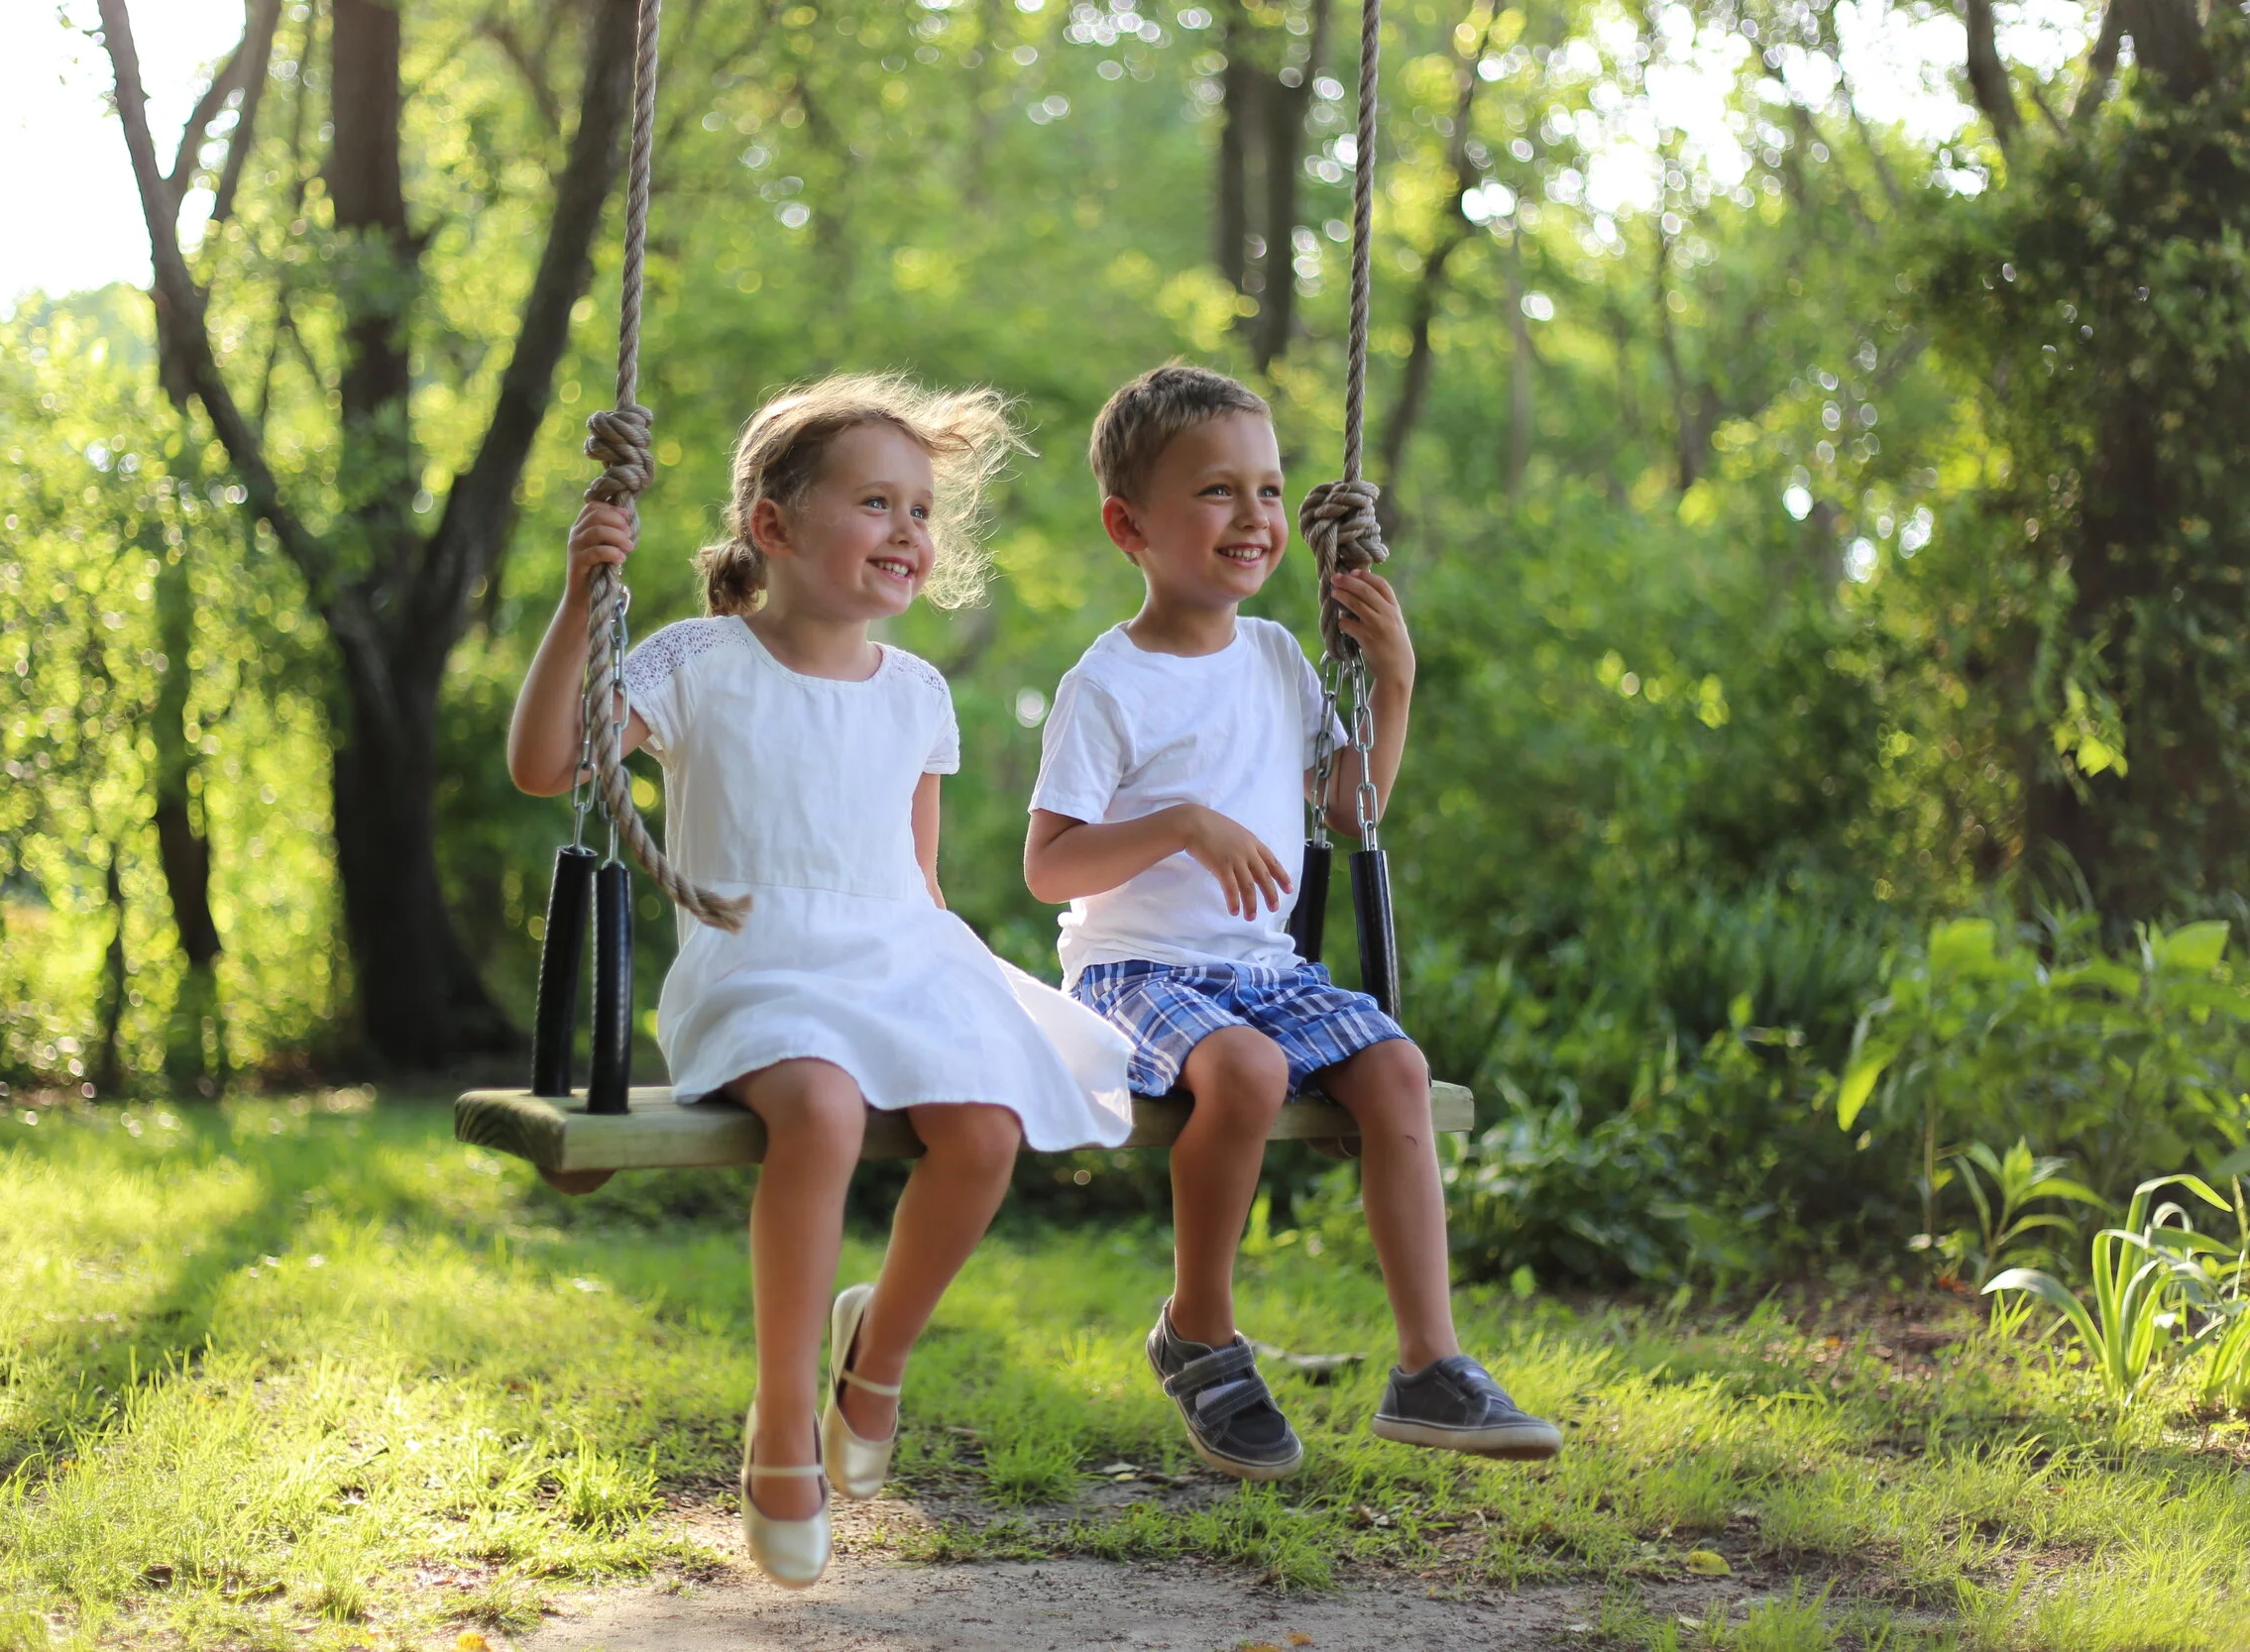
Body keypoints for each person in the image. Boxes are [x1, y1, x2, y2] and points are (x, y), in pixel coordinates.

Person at [509, 375, 1132, 1589]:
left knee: (986, 1126)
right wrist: (584, 593)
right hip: (757, 960)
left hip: (898, 956)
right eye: (875, 503)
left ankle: (878, 1354)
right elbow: (546, 763)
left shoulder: (917, 692)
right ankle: (781, 1416)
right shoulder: (695, 660)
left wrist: (958, 1010)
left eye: (920, 509)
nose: (908, 530)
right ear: (774, 524)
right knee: (825, 1109)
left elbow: (917, 881)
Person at [1024, 364, 1561, 1482]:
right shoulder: (1107, 683)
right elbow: (1048, 866)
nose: (1255, 516)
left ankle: (1429, 1363)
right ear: (1130, 523)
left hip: (1259, 968)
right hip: (1134, 969)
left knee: (1398, 1069)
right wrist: (1179, 823)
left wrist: (1395, 682)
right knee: (1251, 1074)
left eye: (1267, 490)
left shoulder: (1273, 654)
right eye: (1216, 491)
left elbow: (1349, 808)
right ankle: (1201, 1331)